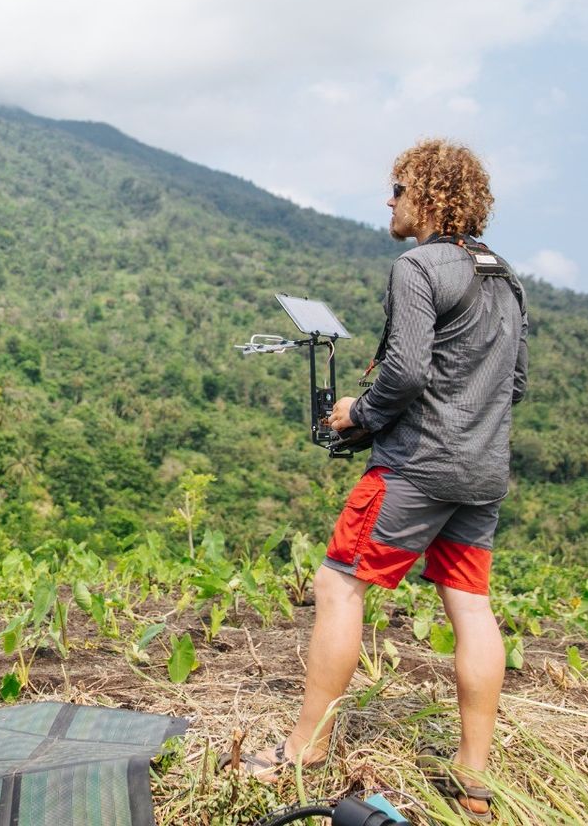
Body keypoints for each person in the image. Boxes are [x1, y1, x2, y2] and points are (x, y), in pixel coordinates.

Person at [233, 139, 527, 823]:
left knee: (338, 583)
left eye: (396, 189)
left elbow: (408, 372)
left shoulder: (418, 266)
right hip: (484, 471)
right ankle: (474, 777)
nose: (387, 201)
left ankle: (303, 750)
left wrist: (358, 414)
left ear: (425, 195)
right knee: (470, 603)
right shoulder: (504, 275)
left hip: (417, 465)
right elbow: (514, 384)